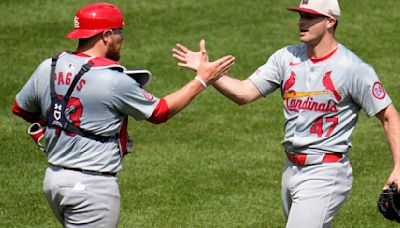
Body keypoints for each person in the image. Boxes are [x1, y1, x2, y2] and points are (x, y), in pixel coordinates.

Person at [172, 0, 400, 227]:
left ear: (330, 21)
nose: (302, 21)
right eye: (301, 15)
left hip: (325, 172)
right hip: (290, 170)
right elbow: (244, 93)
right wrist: (209, 75)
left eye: (310, 16)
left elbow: (389, 117)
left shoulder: (354, 69)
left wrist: (399, 168)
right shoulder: (286, 58)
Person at [12, 2, 234, 227]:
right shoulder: (114, 81)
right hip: (91, 189)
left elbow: (21, 108)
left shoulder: (49, 66)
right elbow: (160, 112)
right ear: (106, 35)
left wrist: (54, 127)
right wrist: (202, 79)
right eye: (119, 31)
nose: (122, 38)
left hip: (54, 181)